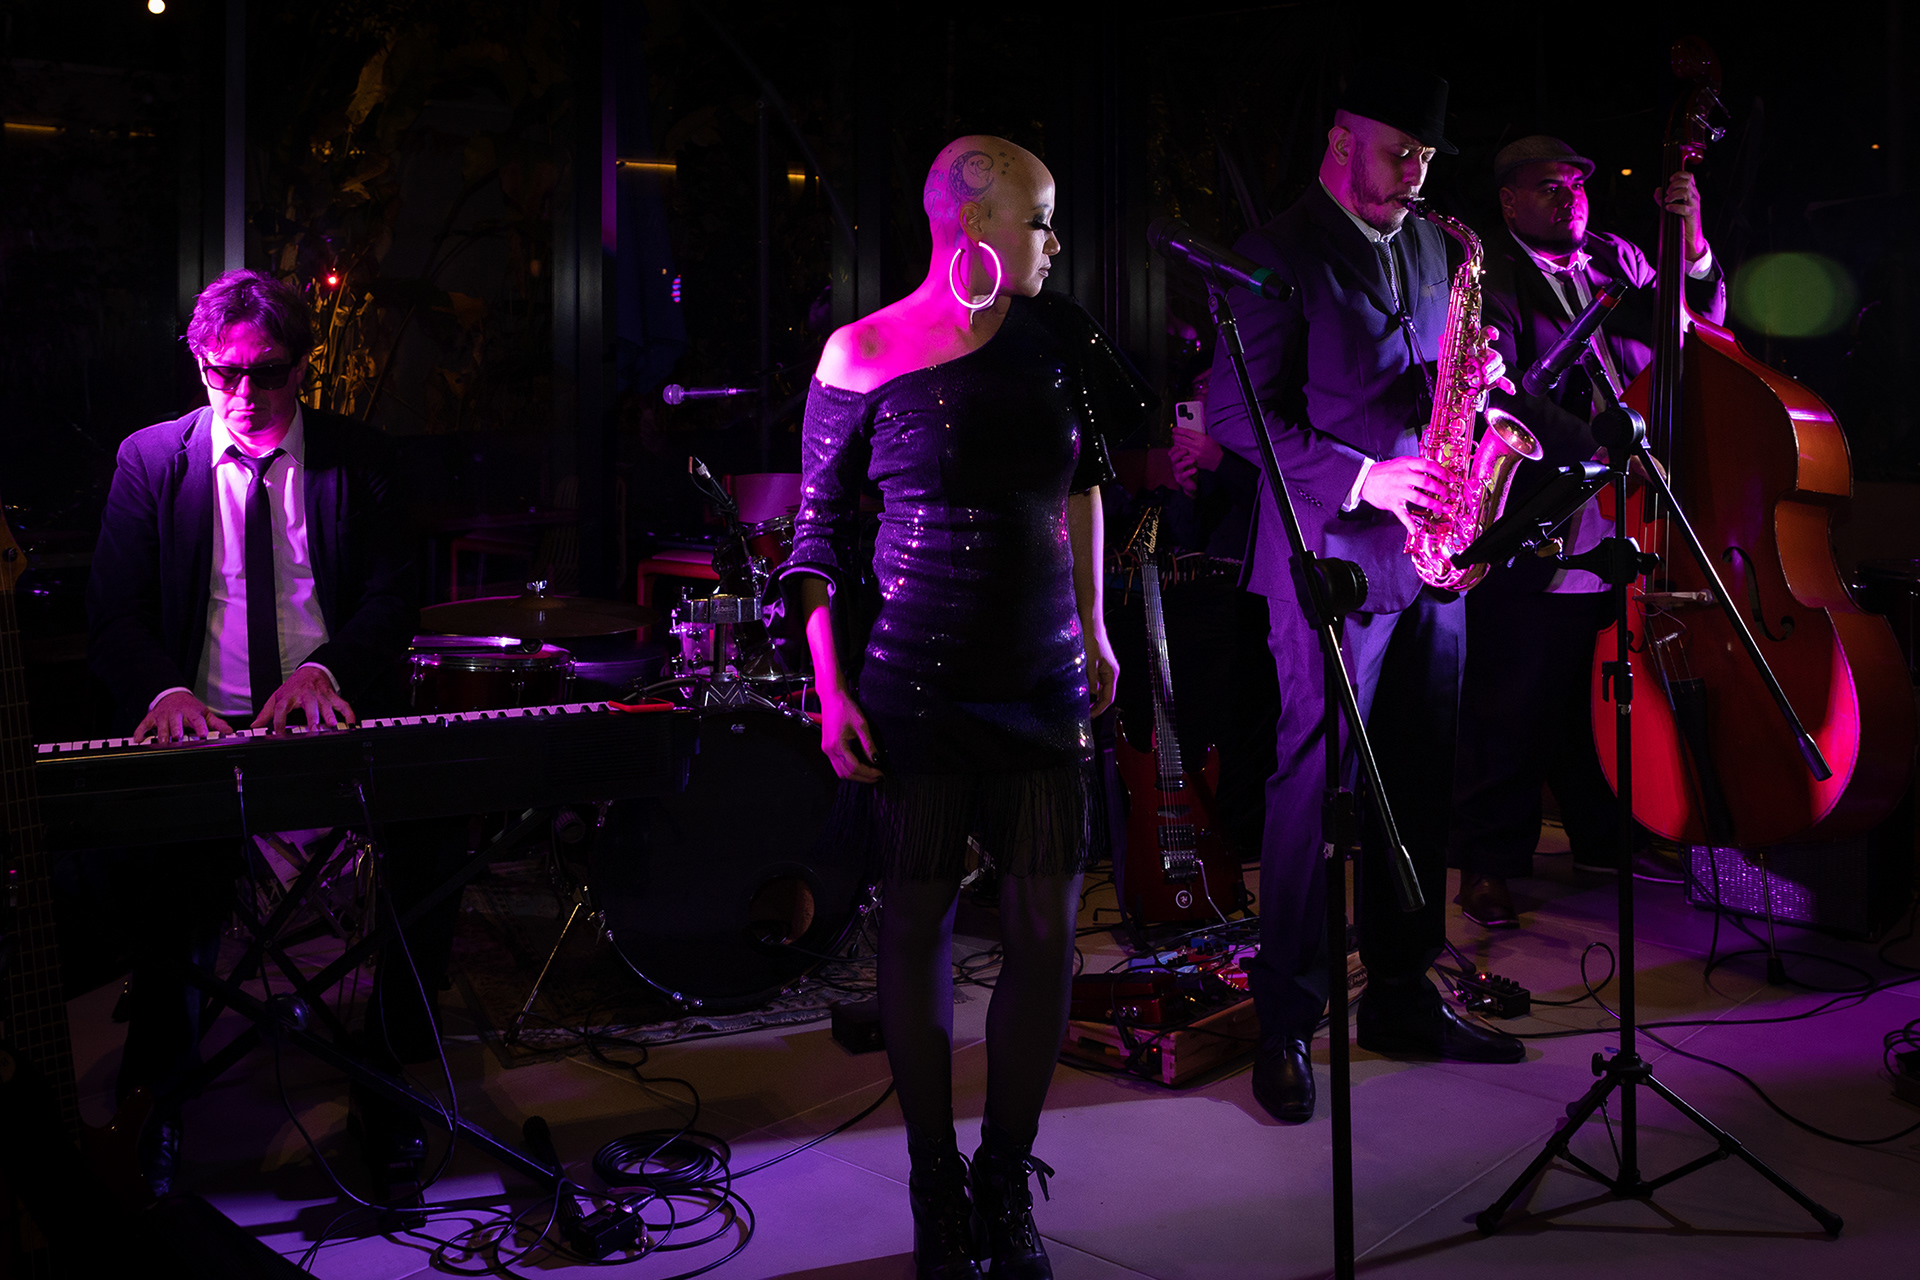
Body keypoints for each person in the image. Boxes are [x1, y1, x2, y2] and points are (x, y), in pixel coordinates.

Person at [786, 135, 1147, 1280]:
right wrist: (831, 687)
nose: (1055, 242)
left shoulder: (1057, 339)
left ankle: (1003, 1176)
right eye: (1039, 219)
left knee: (1046, 931)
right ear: (974, 225)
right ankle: (935, 1181)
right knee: (916, 926)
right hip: (918, 681)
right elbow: (816, 537)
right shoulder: (861, 351)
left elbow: (1085, 482)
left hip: (1042, 675)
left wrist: (1094, 623)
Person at [1201, 65, 1526, 1127]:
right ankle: (1287, 1015)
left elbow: (1441, 367)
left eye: (1427, 156)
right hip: (1330, 552)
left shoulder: (1436, 245)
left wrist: (1479, 386)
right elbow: (1235, 414)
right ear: (1342, 141)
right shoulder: (1275, 251)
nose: (1417, 172)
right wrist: (1362, 476)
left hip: (1435, 551)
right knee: (1316, 780)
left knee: (1423, 775)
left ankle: (1399, 991)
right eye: (1401, 152)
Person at [87, 269, 458, 1199]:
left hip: (331, 718)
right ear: (199, 365)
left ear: (304, 366)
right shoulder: (150, 460)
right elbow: (113, 614)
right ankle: (156, 1096)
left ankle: (385, 1077)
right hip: (202, 729)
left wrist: (327, 672)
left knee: (436, 837)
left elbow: (392, 600)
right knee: (170, 868)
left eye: (268, 371)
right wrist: (169, 691)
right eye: (223, 374)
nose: (244, 394)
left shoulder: (359, 458)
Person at [1450, 136, 1725, 928]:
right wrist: (1603, 448)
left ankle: (1606, 836)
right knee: (1514, 695)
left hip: (1627, 512)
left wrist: (1693, 251)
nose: (1568, 197)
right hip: (1541, 504)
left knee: (1597, 687)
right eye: (1548, 185)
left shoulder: (1623, 260)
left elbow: (1699, 331)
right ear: (1509, 200)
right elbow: (1500, 391)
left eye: (1576, 184)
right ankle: (1489, 861)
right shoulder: (1492, 275)